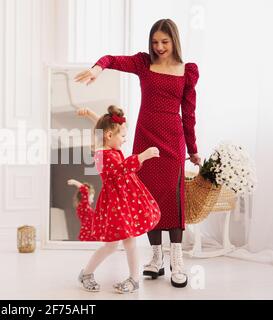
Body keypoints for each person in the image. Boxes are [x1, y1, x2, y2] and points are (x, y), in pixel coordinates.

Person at [75, 18, 201, 288]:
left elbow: (188, 115)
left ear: (174, 41)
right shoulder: (144, 63)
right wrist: (98, 69)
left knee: (173, 198)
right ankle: (156, 259)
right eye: (155, 42)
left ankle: (176, 260)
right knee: (146, 197)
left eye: (164, 42)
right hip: (145, 139)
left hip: (172, 140)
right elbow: (112, 59)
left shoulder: (187, 71)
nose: (159, 47)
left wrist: (193, 150)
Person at [77, 105, 160, 293]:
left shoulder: (106, 143)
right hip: (116, 204)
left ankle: (131, 278)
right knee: (114, 245)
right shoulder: (101, 154)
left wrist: (91, 113)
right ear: (109, 136)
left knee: (123, 242)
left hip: (123, 200)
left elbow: (104, 127)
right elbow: (121, 168)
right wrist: (143, 156)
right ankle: (89, 274)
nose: (124, 140)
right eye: (122, 136)